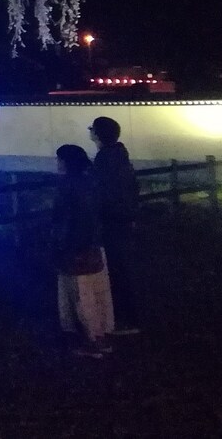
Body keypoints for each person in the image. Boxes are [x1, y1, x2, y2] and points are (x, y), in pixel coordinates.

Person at [53, 144, 114, 358]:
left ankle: (91, 339)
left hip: (75, 247)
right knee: (98, 292)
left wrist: (62, 244)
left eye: (59, 159)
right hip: (94, 244)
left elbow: (66, 220)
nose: (57, 164)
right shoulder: (92, 182)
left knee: (81, 295)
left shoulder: (67, 186)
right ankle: (103, 334)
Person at [89, 115, 140, 334]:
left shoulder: (105, 160)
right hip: (123, 219)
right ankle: (128, 316)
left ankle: (125, 320)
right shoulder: (120, 156)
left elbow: (102, 193)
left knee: (117, 270)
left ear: (98, 134)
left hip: (112, 221)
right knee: (123, 268)